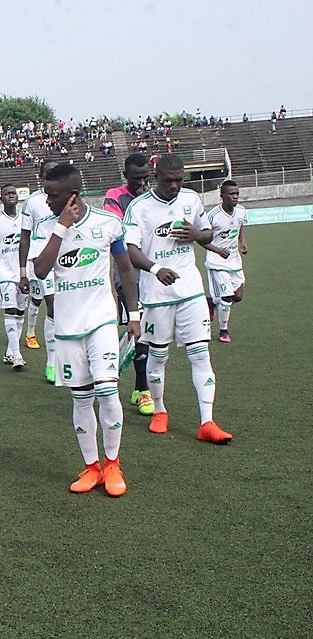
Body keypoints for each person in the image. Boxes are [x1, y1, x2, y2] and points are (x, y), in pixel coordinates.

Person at [33, 163, 140, 496]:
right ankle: (92, 468)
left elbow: (125, 270)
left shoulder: (108, 223)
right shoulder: (45, 227)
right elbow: (40, 270)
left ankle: (113, 464)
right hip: (67, 327)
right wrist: (61, 226)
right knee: (81, 399)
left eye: (52, 195)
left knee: (107, 391)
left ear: (72, 195)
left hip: (101, 321)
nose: (47, 200)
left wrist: (134, 314)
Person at [124, 154, 232, 444]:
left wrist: (196, 234)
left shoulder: (191, 199)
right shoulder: (139, 207)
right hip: (156, 294)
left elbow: (207, 232)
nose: (174, 185)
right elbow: (130, 249)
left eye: (179, 180)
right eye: (168, 180)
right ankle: (160, 411)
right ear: (156, 177)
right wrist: (156, 269)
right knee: (158, 355)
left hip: (191, 291)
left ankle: (207, 422)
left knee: (200, 354)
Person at [103, 153, 154, 415]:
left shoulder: (154, 197)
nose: (142, 183)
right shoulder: (114, 197)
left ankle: (139, 386)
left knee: (151, 331)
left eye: (146, 177)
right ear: (125, 176)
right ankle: (144, 390)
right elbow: (119, 232)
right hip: (127, 274)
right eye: (136, 179)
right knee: (138, 327)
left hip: (153, 272)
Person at [19, 160, 60, 383]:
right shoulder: (32, 202)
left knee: (60, 305)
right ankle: (51, 362)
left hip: (66, 257)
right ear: (41, 176)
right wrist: (22, 271)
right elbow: (25, 237)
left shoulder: (67, 197)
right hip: (41, 259)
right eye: (48, 173)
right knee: (52, 304)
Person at [0, 185, 27, 370]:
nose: (11, 196)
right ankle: (17, 356)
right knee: (10, 309)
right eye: (7, 194)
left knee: (20, 312)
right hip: (4, 273)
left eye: (13, 193)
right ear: (1, 199)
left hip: (23, 273)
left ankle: (10, 352)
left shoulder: (25, 219)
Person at [203, 180, 248, 343]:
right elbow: (202, 239)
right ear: (222, 196)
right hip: (217, 262)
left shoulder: (241, 211)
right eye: (231, 194)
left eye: (237, 193)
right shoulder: (212, 216)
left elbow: (239, 227)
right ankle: (223, 331)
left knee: (238, 296)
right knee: (227, 296)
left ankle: (211, 302)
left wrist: (243, 242)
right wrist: (217, 250)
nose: (235, 196)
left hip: (234, 261)